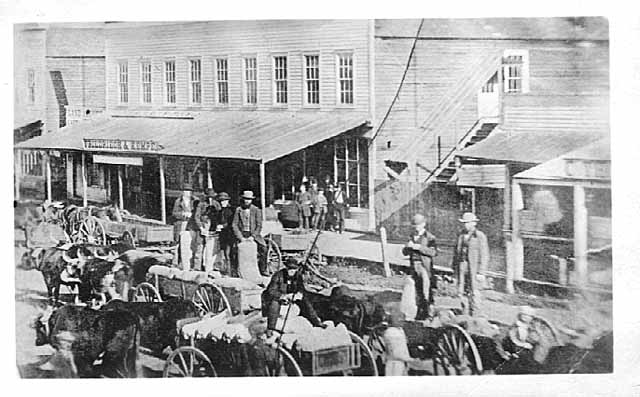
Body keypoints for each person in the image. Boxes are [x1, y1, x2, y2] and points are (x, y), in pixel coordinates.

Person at [261, 258, 323, 333]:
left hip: (289, 297)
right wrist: (282, 296)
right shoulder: (278, 275)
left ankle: (316, 321)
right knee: (274, 304)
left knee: (305, 300)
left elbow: (301, 289)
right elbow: (271, 291)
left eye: (294, 269)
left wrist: (298, 294)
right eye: (290, 269)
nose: (291, 271)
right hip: (274, 297)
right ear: (286, 268)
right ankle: (270, 328)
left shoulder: (298, 276)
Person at [452, 212, 490, 316]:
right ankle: (465, 313)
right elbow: (456, 253)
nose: (466, 225)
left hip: (474, 268)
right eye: (464, 223)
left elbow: (484, 255)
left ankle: (475, 315)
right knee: (462, 291)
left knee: (475, 292)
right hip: (462, 266)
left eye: (468, 223)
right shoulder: (460, 235)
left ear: (474, 223)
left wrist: (481, 272)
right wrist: (454, 270)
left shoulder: (480, 236)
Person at [402, 214, 437, 320]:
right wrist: (407, 247)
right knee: (417, 290)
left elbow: (433, 252)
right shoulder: (411, 236)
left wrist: (419, 247)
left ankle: (429, 313)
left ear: (424, 224)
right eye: (414, 225)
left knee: (426, 289)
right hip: (414, 266)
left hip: (424, 266)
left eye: (418, 225)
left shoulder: (430, 237)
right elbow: (405, 253)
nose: (416, 227)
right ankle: (419, 312)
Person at [232, 190, 268, 276]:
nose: (247, 201)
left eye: (249, 199)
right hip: (242, 233)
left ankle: (262, 269)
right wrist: (240, 237)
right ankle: (235, 271)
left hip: (253, 234)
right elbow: (234, 224)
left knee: (263, 248)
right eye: (245, 199)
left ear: (252, 200)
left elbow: (259, 225)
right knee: (234, 250)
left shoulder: (256, 210)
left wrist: (253, 236)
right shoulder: (239, 210)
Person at [382, 309, 417, 376]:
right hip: (394, 364)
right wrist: (411, 360)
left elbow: (403, 348)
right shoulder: (390, 332)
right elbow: (396, 353)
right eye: (398, 318)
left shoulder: (400, 330)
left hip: (403, 363)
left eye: (402, 318)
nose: (401, 320)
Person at [201, 188, 222, 273]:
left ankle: (214, 266)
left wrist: (218, 225)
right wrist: (203, 225)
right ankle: (207, 267)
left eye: (212, 197)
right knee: (207, 248)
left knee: (215, 248)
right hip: (207, 227)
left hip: (214, 228)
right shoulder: (202, 204)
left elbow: (220, 216)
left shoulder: (216, 204)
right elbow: (199, 216)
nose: (210, 199)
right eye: (208, 197)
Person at [172, 190, 193, 270]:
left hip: (190, 225)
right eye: (185, 191)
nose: (187, 193)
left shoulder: (193, 201)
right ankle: (176, 262)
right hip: (181, 224)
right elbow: (174, 213)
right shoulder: (178, 201)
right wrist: (183, 214)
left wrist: (191, 215)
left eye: (189, 192)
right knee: (178, 244)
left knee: (189, 244)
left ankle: (188, 263)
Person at [186, 192, 206, 270]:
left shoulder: (215, 204)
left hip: (210, 229)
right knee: (198, 247)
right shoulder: (200, 205)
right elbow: (196, 217)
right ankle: (196, 267)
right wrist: (201, 227)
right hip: (200, 229)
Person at [216, 192, 235, 275]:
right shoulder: (220, 211)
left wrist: (222, 226)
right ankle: (225, 269)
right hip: (222, 235)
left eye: (224, 201)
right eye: (221, 201)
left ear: (227, 201)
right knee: (223, 253)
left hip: (229, 235)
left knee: (228, 254)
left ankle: (230, 272)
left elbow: (232, 223)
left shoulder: (231, 210)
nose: (222, 203)